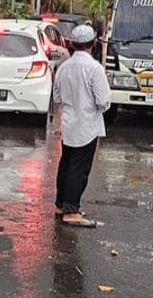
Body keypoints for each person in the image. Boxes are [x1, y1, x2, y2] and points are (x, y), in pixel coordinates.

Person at [52, 25, 111, 227]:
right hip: (87, 125)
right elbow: (104, 101)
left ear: (72, 44)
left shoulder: (64, 67)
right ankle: (71, 209)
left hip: (68, 123)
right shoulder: (95, 69)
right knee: (79, 169)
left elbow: (57, 97)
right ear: (93, 44)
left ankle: (61, 204)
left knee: (66, 165)